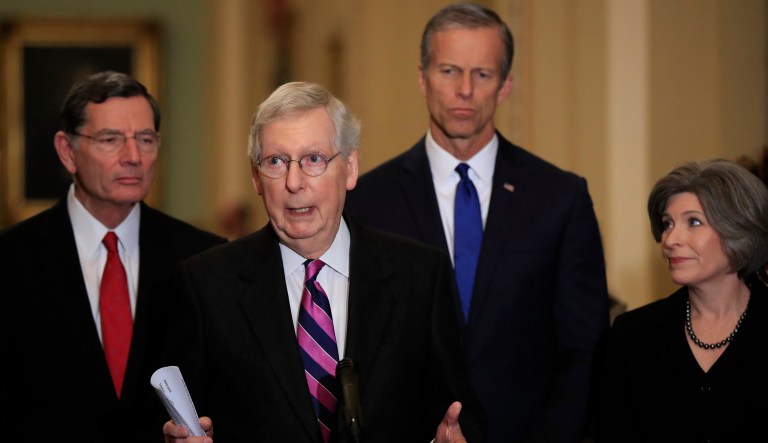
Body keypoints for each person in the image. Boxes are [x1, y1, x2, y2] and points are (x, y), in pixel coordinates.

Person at [161, 81, 486, 443]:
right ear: (255, 177)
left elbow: (460, 414)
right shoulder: (206, 285)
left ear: (349, 168)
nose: (294, 182)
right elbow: (182, 423)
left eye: (314, 159)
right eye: (275, 162)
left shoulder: (420, 276)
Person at [343, 3, 610, 442]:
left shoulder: (560, 199)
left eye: (482, 74)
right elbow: (356, 347)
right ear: (422, 78)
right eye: (449, 71)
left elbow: (584, 353)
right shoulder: (369, 200)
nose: (464, 89)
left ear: (505, 86)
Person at [0, 71, 227, 442]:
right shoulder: (10, 259)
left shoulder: (207, 256)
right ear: (67, 151)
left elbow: (223, 393)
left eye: (146, 139)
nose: (134, 157)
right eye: (111, 140)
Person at [595, 159, 768, 442]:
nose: (670, 239)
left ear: (738, 230)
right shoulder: (632, 336)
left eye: (694, 222)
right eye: (667, 224)